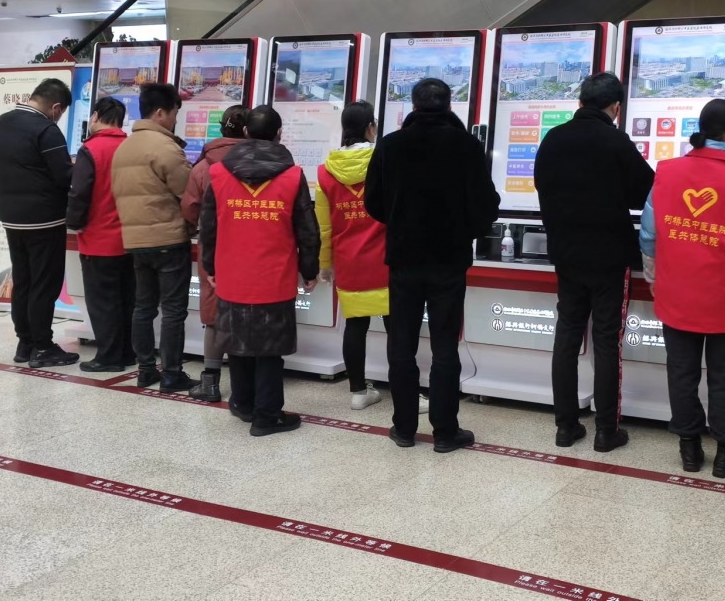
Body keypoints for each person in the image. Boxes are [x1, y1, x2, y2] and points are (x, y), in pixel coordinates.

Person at [639, 98, 725, 478]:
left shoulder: (667, 172)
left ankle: (689, 450)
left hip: (677, 294)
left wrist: (654, 280)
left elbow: (649, 235)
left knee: (681, 372)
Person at [366, 78, 500, 453]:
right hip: (449, 260)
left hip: (404, 258)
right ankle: (445, 432)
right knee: (445, 347)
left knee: (402, 345)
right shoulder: (468, 145)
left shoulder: (390, 145)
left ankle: (404, 428)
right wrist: (464, 232)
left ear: (413, 105)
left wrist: (400, 219)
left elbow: (373, 202)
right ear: (448, 105)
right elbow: (486, 203)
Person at [534, 72, 655, 452]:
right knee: (606, 341)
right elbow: (646, 192)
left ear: (581, 101)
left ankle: (565, 427)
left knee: (567, 334)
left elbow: (542, 187)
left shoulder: (552, 139)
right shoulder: (615, 140)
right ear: (615, 108)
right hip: (608, 257)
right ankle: (606, 430)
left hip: (566, 254)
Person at [199, 106, 319, 436]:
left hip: (232, 274)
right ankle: (267, 415)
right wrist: (310, 269)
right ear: (279, 134)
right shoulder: (292, 176)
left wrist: (209, 265)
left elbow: (208, 225)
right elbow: (307, 229)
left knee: (237, 341)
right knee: (270, 348)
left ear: (246, 134)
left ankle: (242, 403)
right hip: (274, 275)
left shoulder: (219, 173)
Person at [316, 102, 429, 414]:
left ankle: (357, 392)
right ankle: (411, 394)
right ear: (371, 127)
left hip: (349, 262)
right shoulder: (386, 160)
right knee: (398, 330)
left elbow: (324, 227)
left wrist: (325, 264)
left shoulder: (325, 172)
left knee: (355, 326)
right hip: (388, 259)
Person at [111, 83, 195, 393]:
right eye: (174, 113)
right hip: (168, 239)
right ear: (160, 112)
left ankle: (146, 370)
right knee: (173, 309)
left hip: (135, 241)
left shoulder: (125, 147)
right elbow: (187, 195)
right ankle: (172, 374)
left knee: (143, 307)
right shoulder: (165, 148)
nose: (175, 120)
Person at [0, 78, 79, 368]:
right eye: (61, 111)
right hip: (44, 218)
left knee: (24, 280)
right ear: (55, 106)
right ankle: (43, 346)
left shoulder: (2, 122)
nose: (59, 117)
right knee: (44, 282)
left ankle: (25, 343)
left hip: (11, 217)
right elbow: (64, 176)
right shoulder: (46, 129)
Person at [181, 105, 247, 401]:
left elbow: (190, 207)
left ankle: (210, 382)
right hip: (251, 244)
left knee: (214, 311)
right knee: (250, 309)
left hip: (214, 246)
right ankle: (246, 385)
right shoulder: (260, 160)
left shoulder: (204, 165)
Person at [66, 97, 135, 373]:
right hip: (130, 238)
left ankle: (108, 356)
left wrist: (74, 222)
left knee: (102, 301)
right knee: (126, 299)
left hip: (99, 239)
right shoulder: (131, 147)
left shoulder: (90, 150)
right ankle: (127, 352)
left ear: (95, 116)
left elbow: (79, 191)